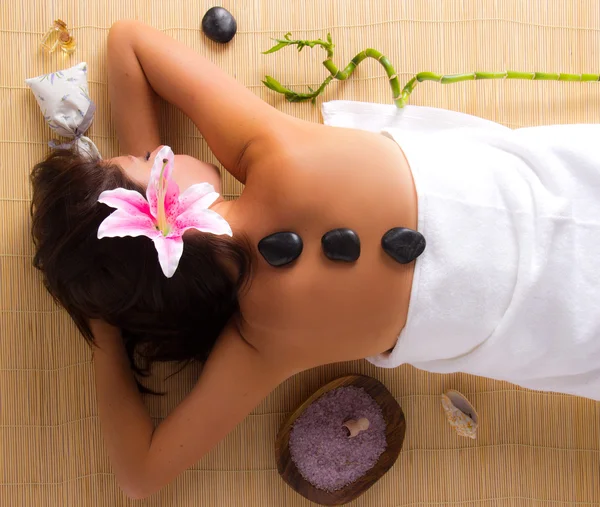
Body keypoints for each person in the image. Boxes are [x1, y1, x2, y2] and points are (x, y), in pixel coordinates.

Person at [30, 20, 600, 499]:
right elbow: (129, 41)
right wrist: (151, 189)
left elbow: (140, 475)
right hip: (561, 192)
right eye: (140, 160)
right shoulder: (270, 150)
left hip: (558, 326)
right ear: (162, 203)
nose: (154, 151)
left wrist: (105, 322)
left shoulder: (260, 344)